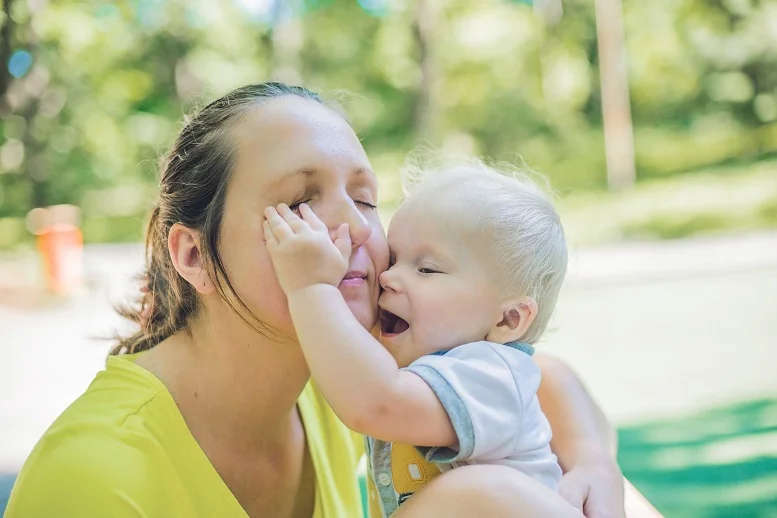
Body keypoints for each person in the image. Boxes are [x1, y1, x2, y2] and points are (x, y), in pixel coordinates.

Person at [6, 82, 626, 517]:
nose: (355, 229)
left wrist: (593, 466)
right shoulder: (92, 478)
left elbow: (536, 375)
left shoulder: (332, 371)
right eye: (301, 203)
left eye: (364, 199)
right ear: (193, 255)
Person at [263, 158, 576, 516]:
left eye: (426, 269)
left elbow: (378, 404)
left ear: (508, 318)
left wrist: (311, 287)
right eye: (394, 258)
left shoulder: (491, 375)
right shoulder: (413, 356)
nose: (388, 277)